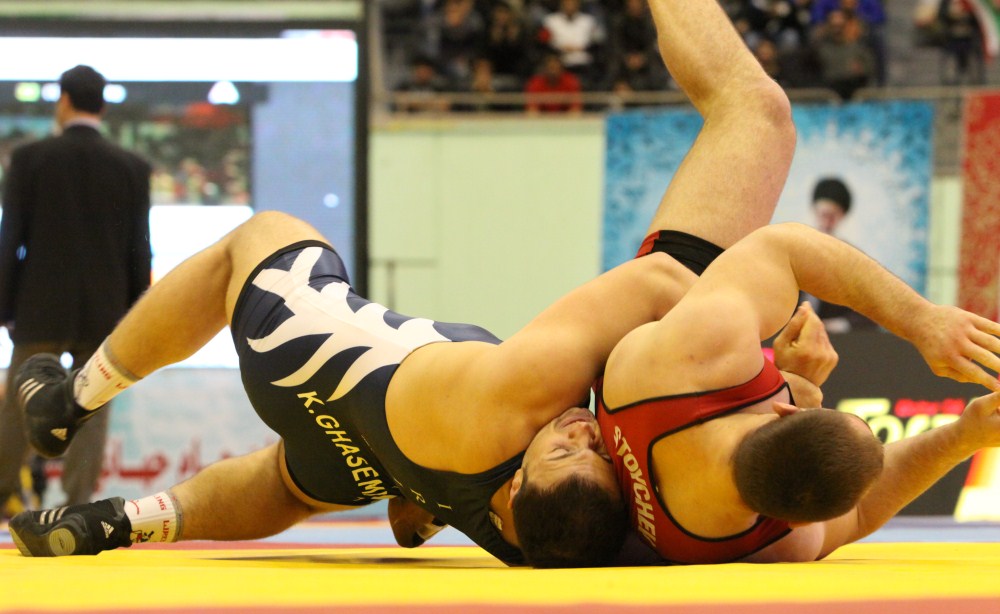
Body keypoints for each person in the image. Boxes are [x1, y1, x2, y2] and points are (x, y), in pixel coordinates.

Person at [9, 0, 801, 567]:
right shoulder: (561, 536)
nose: (581, 431)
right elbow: (823, 505)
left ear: (516, 491)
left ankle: (69, 400)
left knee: (262, 235)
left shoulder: (523, 397)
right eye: (590, 446)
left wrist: (759, 334)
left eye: (567, 449)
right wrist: (790, 390)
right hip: (362, 461)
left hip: (305, 350)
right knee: (292, 484)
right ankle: (124, 519)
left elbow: (662, 280)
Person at [579, 221, 1000, 566]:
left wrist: (921, 320)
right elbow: (857, 514)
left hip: (649, 317)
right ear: (795, 521)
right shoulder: (772, 547)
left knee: (759, 130)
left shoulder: (695, 358)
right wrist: (964, 436)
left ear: (786, 411)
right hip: (660, 350)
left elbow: (786, 247)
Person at [0, 65, 151, 515]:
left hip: (39, 307)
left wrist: (5, 306)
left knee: (19, 403)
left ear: (63, 101)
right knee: (92, 405)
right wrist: (136, 317)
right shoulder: (132, 167)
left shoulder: (29, 159)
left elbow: (11, 239)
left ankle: (2, 493)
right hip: (105, 312)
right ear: (102, 107)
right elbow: (139, 249)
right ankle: (77, 504)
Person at [806, 177, 875, 331]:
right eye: (822, 214)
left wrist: (838, 325)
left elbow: (871, 311)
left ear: (842, 215)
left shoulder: (852, 258)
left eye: (831, 216)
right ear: (814, 210)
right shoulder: (797, 249)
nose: (825, 223)